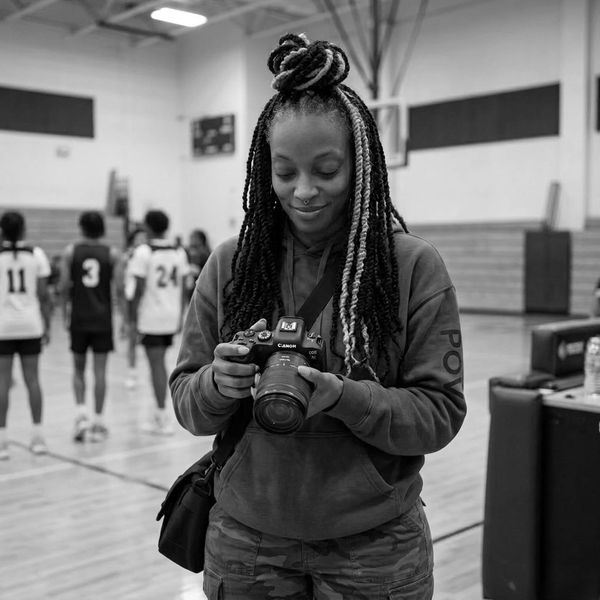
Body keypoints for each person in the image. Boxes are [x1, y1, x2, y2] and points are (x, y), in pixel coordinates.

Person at [169, 33, 467, 599]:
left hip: (374, 545)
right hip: (247, 540)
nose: (303, 191)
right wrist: (219, 382)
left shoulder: (411, 267)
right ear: (265, 171)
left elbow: (440, 413)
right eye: (285, 173)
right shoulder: (232, 263)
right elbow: (187, 401)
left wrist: (343, 397)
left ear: (361, 166)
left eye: (326, 171)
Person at [60, 211, 119, 443]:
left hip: (79, 318)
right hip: (103, 319)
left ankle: (81, 416)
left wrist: (65, 312)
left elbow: (64, 286)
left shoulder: (70, 252)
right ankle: (99, 420)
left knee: (78, 369)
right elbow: (119, 288)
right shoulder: (112, 254)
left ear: (81, 227)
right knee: (100, 371)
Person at [129, 210, 188, 435]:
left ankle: (162, 415)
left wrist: (132, 318)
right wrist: (181, 315)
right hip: (171, 314)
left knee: (157, 365)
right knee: (160, 363)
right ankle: (160, 412)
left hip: (151, 317)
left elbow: (138, 290)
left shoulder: (144, 252)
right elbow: (184, 288)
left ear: (148, 227)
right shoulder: (179, 252)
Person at [0, 211, 52, 459]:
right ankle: (38, 437)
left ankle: (2, 442)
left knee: (2, 383)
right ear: (23, 230)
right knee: (33, 380)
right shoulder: (37, 255)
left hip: (4, 326)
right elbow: (43, 295)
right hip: (30, 324)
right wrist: (48, 325)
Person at [117, 226, 147, 389]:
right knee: (132, 339)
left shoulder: (149, 255)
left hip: (147, 303)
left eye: (144, 238)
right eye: (139, 238)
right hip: (132, 301)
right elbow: (120, 284)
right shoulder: (127, 256)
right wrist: (123, 313)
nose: (142, 241)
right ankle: (132, 372)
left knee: (150, 342)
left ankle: (150, 374)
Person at [184, 229, 211, 303]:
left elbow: (204, 271)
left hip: (202, 287)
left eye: (193, 237)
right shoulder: (189, 251)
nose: (190, 240)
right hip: (193, 286)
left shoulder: (205, 253)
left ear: (200, 240)